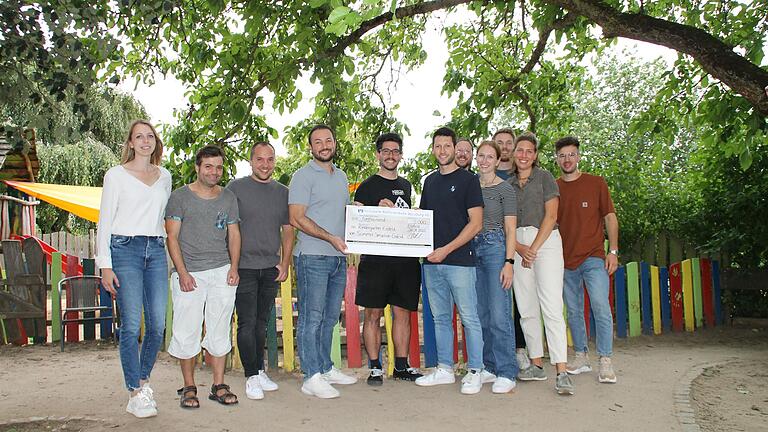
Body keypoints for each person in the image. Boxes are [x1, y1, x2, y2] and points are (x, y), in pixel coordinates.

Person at [97, 120, 172, 418]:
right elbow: (105, 222)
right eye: (138, 136)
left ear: (155, 142)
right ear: (129, 143)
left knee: (157, 325)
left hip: (156, 250)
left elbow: (165, 219)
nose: (144, 141)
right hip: (124, 249)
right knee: (130, 324)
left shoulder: (165, 176)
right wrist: (105, 265)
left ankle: (143, 381)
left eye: (149, 136)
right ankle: (134, 391)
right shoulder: (115, 176)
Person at [166, 145, 241, 408]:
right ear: (197, 167)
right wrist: (183, 273)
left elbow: (234, 234)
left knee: (220, 328)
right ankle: (189, 387)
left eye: (218, 167)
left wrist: (233, 267)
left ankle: (218, 385)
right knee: (187, 330)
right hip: (190, 274)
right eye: (208, 166)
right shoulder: (180, 197)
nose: (214, 171)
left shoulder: (229, 198)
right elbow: (172, 237)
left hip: (221, 270)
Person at [415, 126, 486, 395]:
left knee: (469, 317)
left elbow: (476, 223)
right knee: (441, 318)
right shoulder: (429, 182)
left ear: (455, 149)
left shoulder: (469, 180)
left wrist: (446, 249)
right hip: (432, 263)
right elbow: (422, 221)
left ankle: (475, 370)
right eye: (438, 146)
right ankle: (444, 369)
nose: (443, 151)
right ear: (433, 149)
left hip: (459, 261)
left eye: (447, 146)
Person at [289, 124, 357, 399]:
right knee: (311, 318)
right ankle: (311, 375)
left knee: (329, 318)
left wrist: (363, 213)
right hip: (312, 256)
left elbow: (343, 213)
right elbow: (296, 217)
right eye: (318, 142)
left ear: (334, 143)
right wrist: (329, 237)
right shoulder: (302, 176)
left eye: (328, 140)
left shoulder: (341, 176)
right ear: (311, 147)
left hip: (338, 258)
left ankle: (326, 368)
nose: (324, 145)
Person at [353, 133, 423, 385]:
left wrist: (413, 216)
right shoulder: (367, 186)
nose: (391, 155)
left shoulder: (407, 185)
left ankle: (402, 367)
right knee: (373, 314)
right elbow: (356, 223)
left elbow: (406, 224)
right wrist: (374, 212)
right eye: (386, 151)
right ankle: (374, 367)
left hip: (404, 262)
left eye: (395, 151)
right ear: (378, 155)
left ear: (401, 155)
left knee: (402, 314)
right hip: (375, 262)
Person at [227, 141, 295, 399]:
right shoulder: (235, 188)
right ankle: (250, 377)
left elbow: (288, 230)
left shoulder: (283, 192)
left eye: (269, 159)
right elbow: (227, 226)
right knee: (245, 322)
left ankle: (258, 369)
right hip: (243, 266)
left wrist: (284, 262)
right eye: (260, 159)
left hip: (269, 268)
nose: (265, 164)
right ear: (251, 161)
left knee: (261, 322)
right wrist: (231, 263)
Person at [509, 132, 574, 395]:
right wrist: (519, 248)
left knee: (551, 307)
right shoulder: (508, 184)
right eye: (519, 150)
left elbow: (552, 215)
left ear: (535, 155)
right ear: (514, 153)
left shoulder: (545, 178)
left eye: (529, 151)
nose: (524, 155)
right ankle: (536, 364)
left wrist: (532, 249)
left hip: (545, 242)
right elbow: (505, 225)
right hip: (518, 245)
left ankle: (561, 370)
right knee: (526, 307)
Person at [554, 136, 619, 384]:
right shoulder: (554, 187)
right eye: (562, 156)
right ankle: (581, 356)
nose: (567, 159)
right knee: (573, 311)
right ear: (557, 159)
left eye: (571, 154)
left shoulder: (596, 183)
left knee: (601, 306)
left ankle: (605, 360)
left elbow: (610, 217)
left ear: (579, 156)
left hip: (593, 257)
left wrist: (612, 251)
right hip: (565, 260)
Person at [471, 140, 519, 394]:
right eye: (481, 155)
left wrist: (508, 262)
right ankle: (489, 365)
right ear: (476, 158)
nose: (485, 160)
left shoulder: (506, 189)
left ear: (498, 160)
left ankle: (507, 370)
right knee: (482, 314)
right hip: (472, 250)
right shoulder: (470, 186)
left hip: (495, 248)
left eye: (491, 156)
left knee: (499, 313)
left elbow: (510, 228)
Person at [492, 127, 530, 370]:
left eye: (509, 143)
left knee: (522, 302)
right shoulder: (485, 178)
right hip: (497, 247)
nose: (505, 147)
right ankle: (498, 354)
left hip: (524, 246)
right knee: (497, 303)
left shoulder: (524, 177)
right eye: (500, 143)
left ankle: (521, 350)